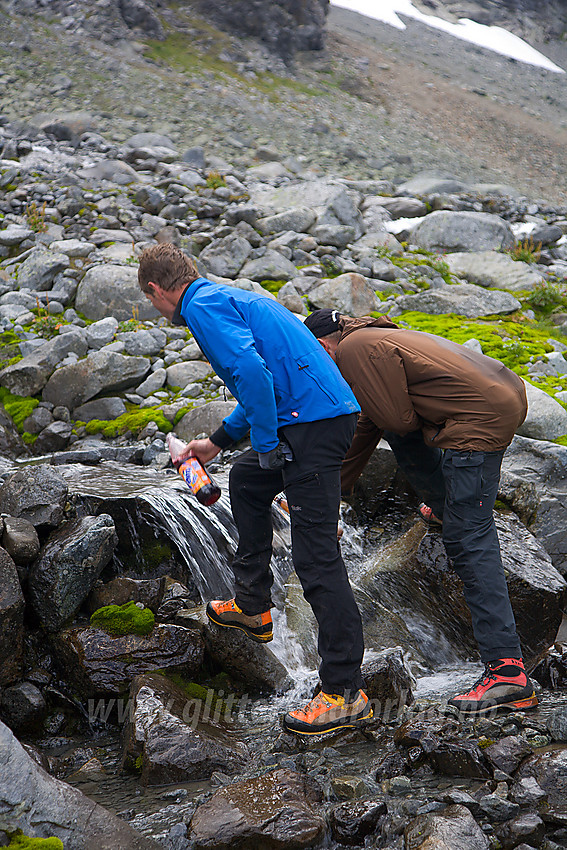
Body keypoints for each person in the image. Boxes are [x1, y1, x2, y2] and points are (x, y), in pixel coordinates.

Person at [138, 244, 372, 735]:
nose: (157, 309)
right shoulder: (221, 297)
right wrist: (217, 442)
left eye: (151, 300)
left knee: (316, 558)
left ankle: (343, 692)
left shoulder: (200, 308)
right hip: (314, 417)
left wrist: (266, 443)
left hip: (314, 424)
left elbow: (252, 375)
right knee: (246, 479)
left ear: (158, 290)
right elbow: (263, 383)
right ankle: (252, 605)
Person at [303, 309, 538, 716]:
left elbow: (390, 416)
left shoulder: (355, 349)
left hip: (478, 419)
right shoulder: (375, 336)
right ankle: (447, 506)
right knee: (405, 441)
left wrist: (324, 490)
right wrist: (333, 490)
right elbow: (379, 423)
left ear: (324, 346)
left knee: (469, 538)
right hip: (502, 394)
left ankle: (507, 673)